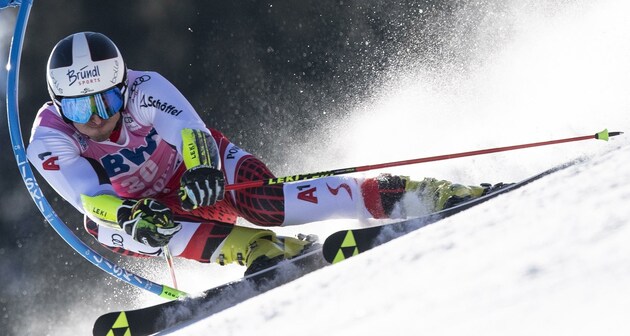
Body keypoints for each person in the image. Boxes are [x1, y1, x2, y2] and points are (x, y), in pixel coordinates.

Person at [27, 32, 502, 275]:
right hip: (151, 207)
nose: (95, 117)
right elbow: (89, 199)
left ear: (121, 84)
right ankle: (253, 250)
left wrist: (203, 170)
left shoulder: (144, 88)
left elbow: (191, 131)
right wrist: (131, 215)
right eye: (78, 106)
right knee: (112, 228)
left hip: (198, 175)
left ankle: (409, 193)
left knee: (267, 203)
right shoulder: (48, 138)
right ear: (56, 101)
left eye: (106, 99)